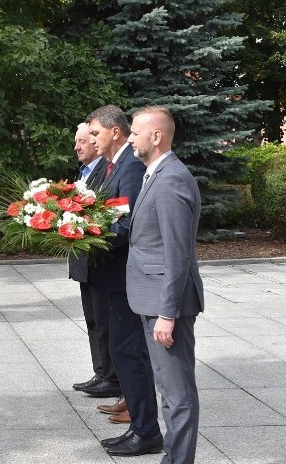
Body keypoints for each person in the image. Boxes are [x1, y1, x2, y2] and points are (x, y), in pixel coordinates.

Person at [127, 106, 204, 464]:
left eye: (134, 132)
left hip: (164, 304)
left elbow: (177, 255)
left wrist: (167, 314)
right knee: (168, 391)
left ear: (155, 137)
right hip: (152, 300)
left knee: (178, 395)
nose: (129, 138)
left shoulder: (171, 178)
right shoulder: (156, 173)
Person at [86, 105, 163, 457]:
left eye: (96, 134)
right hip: (111, 275)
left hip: (123, 276)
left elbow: (126, 223)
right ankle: (140, 423)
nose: (90, 140)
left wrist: (85, 233)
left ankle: (145, 429)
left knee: (129, 352)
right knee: (123, 349)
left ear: (113, 132)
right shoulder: (114, 164)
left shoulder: (129, 166)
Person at [68, 124, 116, 401]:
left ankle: (109, 375)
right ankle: (100, 372)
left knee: (104, 319)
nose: (77, 146)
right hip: (85, 259)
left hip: (100, 258)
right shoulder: (84, 172)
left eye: (82, 140)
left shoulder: (106, 170)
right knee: (92, 318)